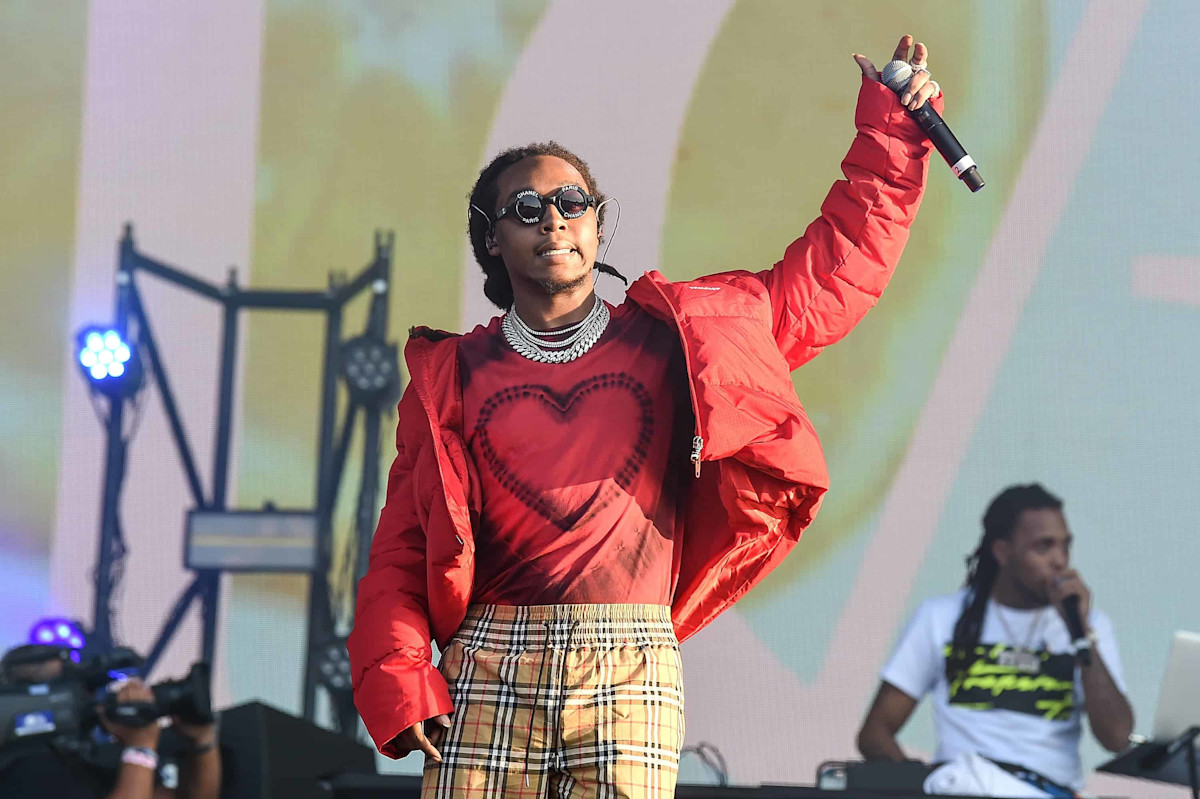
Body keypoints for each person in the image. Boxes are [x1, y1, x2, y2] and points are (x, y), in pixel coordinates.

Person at [350, 35, 943, 798]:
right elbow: (403, 546)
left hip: (630, 658)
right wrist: (399, 676)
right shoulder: (452, 374)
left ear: (597, 225)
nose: (553, 219)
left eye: (572, 203)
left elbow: (832, 272)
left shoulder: (681, 340)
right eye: (526, 208)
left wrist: (893, 133)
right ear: (492, 238)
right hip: (488, 656)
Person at [856, 484, 1134, 794]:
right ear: (1002, 552)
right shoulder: (941, 617)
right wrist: (922, 786)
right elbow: (875, 732)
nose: (1060, 560)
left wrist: (1081, 633)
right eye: (1043, 547)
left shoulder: (1090, 625)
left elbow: (1117, 738)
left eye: (1065, 546)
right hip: (964, 787)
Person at [0, 644, 221, 799]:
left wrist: (202, 743)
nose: (87, 699)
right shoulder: (22, 773)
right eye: (71, 686)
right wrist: (140, 748)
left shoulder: (78, 767)